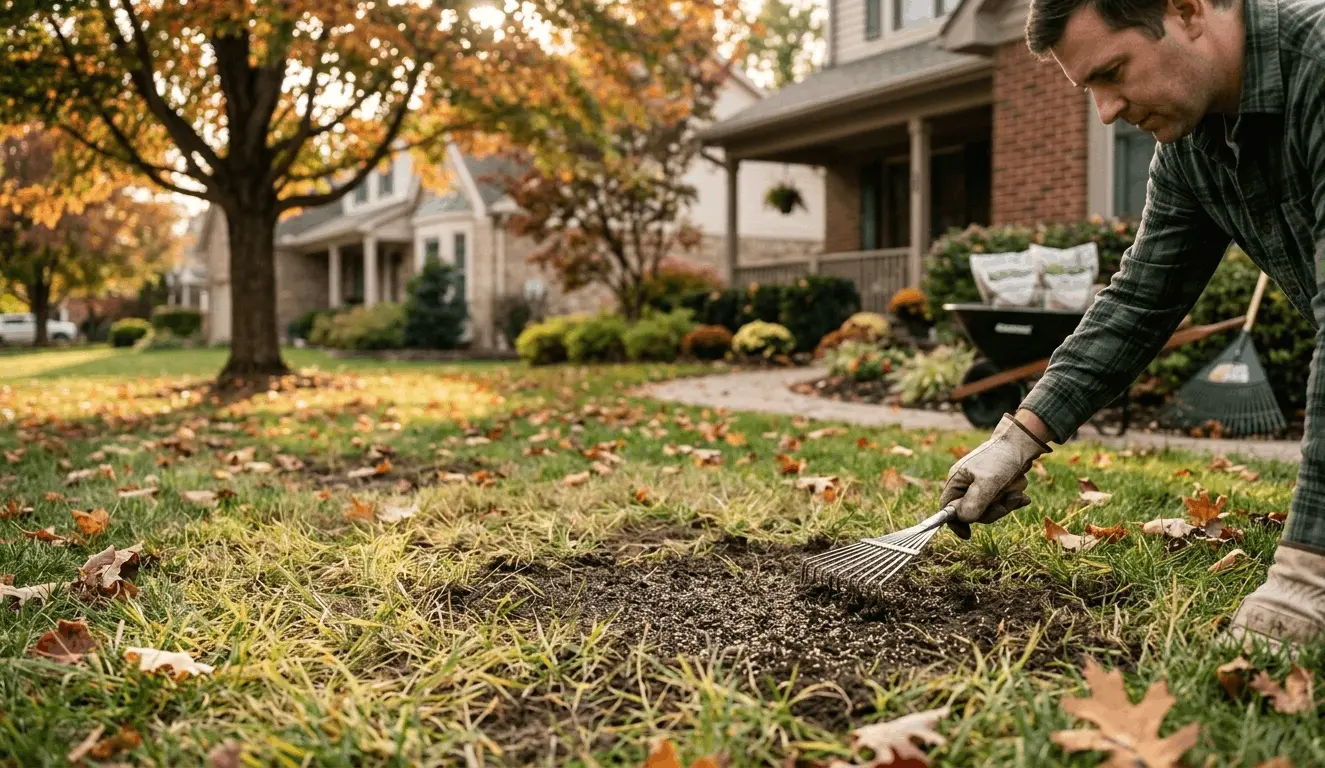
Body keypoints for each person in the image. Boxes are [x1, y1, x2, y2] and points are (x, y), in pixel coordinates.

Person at [940, 0, 1325, 651]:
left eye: (1112, 72)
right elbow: (1139, 300)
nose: (1107, 111)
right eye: (1089, 87)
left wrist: (1306, 572)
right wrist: (1016, 438)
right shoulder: (1194, 146)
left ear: (1186, 10)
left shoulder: (1314, 64)